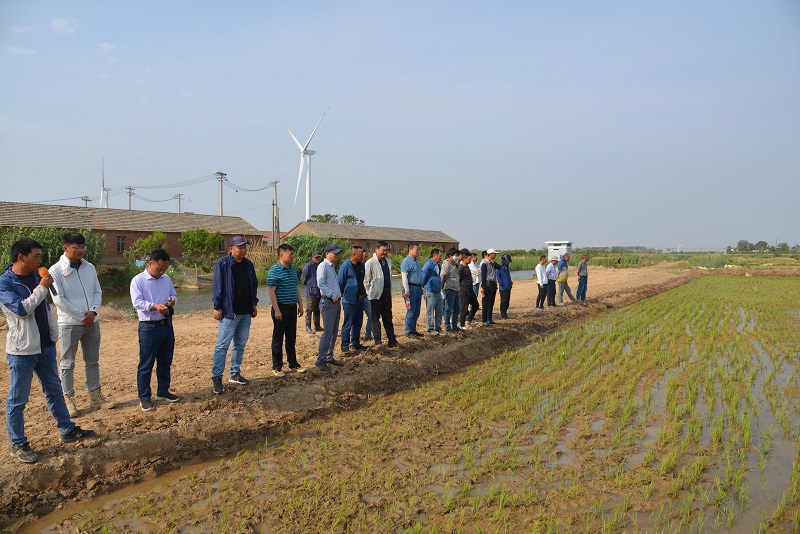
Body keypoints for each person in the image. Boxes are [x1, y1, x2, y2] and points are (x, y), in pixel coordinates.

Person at [1, 238, 96, 463]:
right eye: (36, 256)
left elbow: (45, 306)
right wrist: (42, 287)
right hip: (22, 351)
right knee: (18, 398)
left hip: (45, 346)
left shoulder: (36, 275)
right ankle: (18, 444)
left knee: (54, 390)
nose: (40, 261)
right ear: (21, 257)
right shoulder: (5, 283)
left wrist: (53, 335)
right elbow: (21, 310)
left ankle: (67, 429)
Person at [49, 232, 114, 416]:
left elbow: (97, 291)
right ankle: (68, 400)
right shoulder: (55, 271)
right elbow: (58, 299)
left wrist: (93, 312)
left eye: (83, 247)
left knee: (92, 361)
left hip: (92, 322)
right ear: (66, 248)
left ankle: (95, 397)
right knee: (67, 363)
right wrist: (81, 316)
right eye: (76, 247)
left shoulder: (89, 267)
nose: (81, 250)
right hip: (69, 324)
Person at [130, 248, 180, 411]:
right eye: (159, 269)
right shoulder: (138, 281)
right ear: (150, 263)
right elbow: (137, 302)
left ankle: (163, 391)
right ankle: (144, 397)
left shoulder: (166, 279)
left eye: (165, 269)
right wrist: (154, 306)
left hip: (166, 325)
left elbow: (174, 295)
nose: (162, 272)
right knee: (146, 364)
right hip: (149, 327)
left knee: (165, 361)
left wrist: (172, 301)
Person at [210, 236, 259, 395]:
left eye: (244, 247)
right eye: (240, 247)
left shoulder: (248, 264)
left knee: (239, 345)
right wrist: (217, 306)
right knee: (222, 346)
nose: (243, 250)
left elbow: (253, 285)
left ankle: (235, 373)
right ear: (231, 249)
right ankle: (217, 377)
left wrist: (253, 304)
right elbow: (217, 286)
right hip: (229, 312)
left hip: (245, 312)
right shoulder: (223, 264)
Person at [267, 243, 305, 377]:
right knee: (278, 337)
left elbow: (296, 288)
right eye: (290, 254)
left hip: (292, 307)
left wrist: (300, 304)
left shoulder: (293, 270)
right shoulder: (274, 270)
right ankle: (277, 366)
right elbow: (271, 291)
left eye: (293, 254)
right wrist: (277, 310)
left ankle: (293, 363)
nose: (293, 256)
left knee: (291, 337)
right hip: (280, 307)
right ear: (282, 255)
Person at [364, 241, 399, 349]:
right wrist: (369, 293)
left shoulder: (388, 261)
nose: (385, 252)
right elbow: (366, 280)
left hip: (387, 293)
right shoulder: (370, 262)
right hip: (375, 295)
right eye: (383, 250)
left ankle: (392, 340)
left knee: (388, 317)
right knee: (375, 318)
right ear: (377, 249)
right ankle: (378, 341)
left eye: (386, 250)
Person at [316, 244, 345, 371]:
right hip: (328, 302)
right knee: (328, 332)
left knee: (333, 332)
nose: (337, 255)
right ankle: (320, 360)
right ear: (327, 253)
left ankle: (329, 356)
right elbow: (321, 283)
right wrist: (333, 295)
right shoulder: (323, 266)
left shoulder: (332, 267)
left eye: (338, 253)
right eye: (335, 253)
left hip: (335, 302)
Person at [338, 245, 367, 354]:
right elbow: (340, 282)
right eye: (360, 254)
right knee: (348, 323)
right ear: (354, 255)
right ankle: (345, 345)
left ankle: (355, 343)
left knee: (358, 323)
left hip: (360, 299)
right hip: (349, 300)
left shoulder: (361, 266)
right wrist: (344, 295)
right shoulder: (345, 266)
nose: (362, 256)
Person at [400, 243, 424, 338]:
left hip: (417, 288)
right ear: (410, 250)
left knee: (417, 311)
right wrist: (407, 290)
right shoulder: (406, 261)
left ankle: (413, 330)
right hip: (411, 288)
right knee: (411, 311)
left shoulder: (416, 261)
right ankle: (409, 331)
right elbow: (404, 277)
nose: (418, 251)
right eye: (416, 250)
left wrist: (421, 287)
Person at [421, 248, 443, 334]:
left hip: (437, 291)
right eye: (440, 256)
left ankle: (438, 327)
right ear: (434, 255)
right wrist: (423, 287)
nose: (441, 257)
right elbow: (423, 276)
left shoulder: (438, 266)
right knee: (430, 310)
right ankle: (430, 328)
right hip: (430, 291)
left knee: (439, 310)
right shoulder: (428, 265)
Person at [300, 251, 323, 334]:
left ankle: (317, 326)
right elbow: (303, 278)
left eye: (319, 257)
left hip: (319, 291)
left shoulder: (321, 265)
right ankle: (308, 327)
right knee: (309, 310)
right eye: (316, 257)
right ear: (312, 258)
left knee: (317, 309)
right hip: (311, 292)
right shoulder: (308, 266)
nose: (318, 259)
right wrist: (310, 286)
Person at [440, 247, 461, 333]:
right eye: (455, 255)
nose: (456, 257)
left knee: (457, 308)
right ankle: (448, 327)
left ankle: (454, 326)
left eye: (457, 255)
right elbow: (443, 275)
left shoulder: (454, 265)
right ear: (450, 256)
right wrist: (442, 287)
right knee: (448, 309)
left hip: (456, 289)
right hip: (449, 289)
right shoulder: (447, 264)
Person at [458, 249, 479, 328]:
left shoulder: (467, 267)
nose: (470, 260)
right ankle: (462, 325)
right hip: (464, 290)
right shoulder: (461, 268)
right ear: (464, 259)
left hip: (470, 289)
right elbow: (458, 279)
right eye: (469, 259)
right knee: (464, 308)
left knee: (476, 305)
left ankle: (469, 319)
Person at [480, 248, 500, 326]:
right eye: (494, 254)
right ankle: (484, 320)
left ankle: (489, 319)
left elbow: (500, 267)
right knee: (486, 303)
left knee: (491, 303)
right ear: (490, 254)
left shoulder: (492, 263)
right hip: (487, 284)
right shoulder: (484, 263)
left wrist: (493, 262)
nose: (495, 255)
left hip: (493, 284)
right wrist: (483, 287)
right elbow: (483, 276)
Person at [359, 248, 373, 342]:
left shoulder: (367, 266)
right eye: (364, 257)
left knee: (371, 314)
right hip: (358, 296)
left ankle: (368, 334)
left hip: (366, 295)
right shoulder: (356, 267)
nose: (365, 259)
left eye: (366, 257)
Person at [497, 253, 513, 320]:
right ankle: (502, 315)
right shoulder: (499, 267)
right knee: (503, 302)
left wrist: (510, 282)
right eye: (507, 261)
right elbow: (498, 277)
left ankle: (505, 314)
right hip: (503, 288)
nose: (508, 263)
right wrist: (502, 284)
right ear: (504, 260)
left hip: (508, 287)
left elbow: (508, 276)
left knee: (507, 302)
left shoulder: (507, 268)